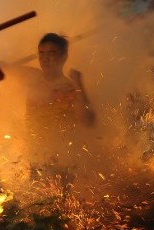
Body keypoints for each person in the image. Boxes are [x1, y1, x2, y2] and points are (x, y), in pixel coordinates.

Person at [24, 33, 95, 185]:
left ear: (63, 57)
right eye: (41, 53)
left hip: (62, 161)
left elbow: (88, 120)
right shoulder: (33, 78)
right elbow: (6, 70)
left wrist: (79, 84)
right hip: (36, 157)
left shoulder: (70, 88)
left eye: (51, 53)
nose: (45, 58)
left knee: (59, 205)